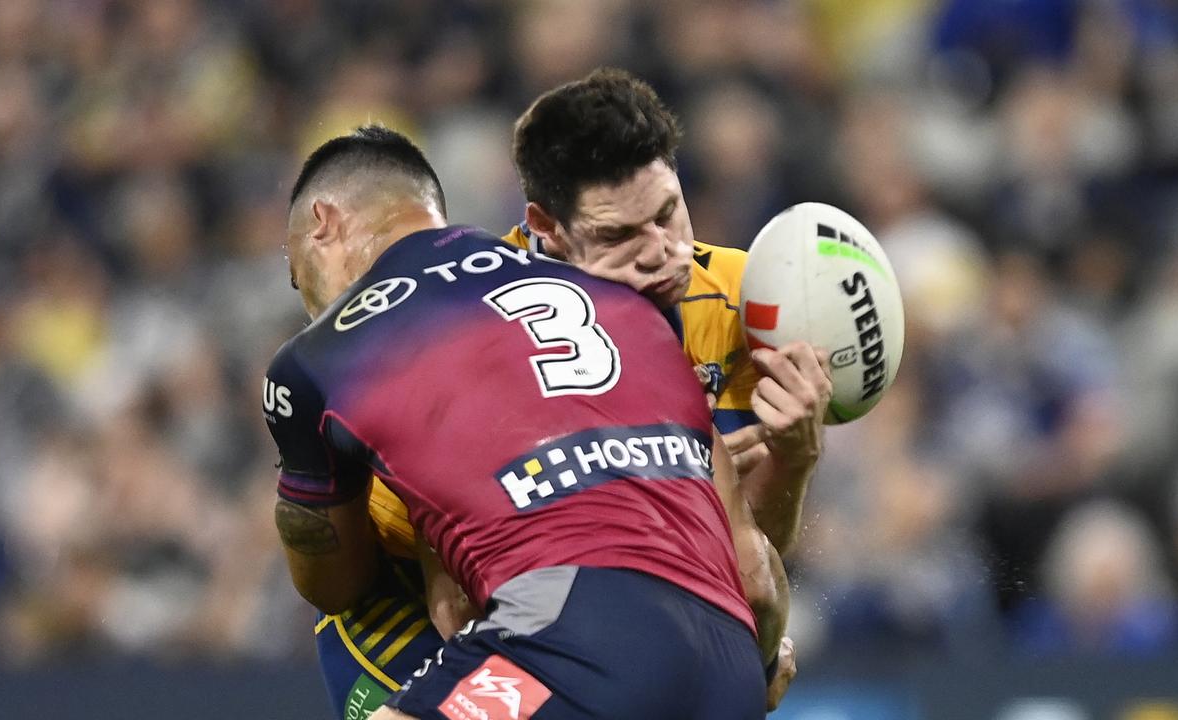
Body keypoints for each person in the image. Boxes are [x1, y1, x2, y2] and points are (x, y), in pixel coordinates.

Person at [318, 69, 824, 718]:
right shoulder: (463, 341)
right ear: (547, 229)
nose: (663, 254)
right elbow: (454, 599)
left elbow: (739, 564)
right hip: (405, 621)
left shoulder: (741, 301)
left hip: (591, 621)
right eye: (619, 237)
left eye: (669, 213)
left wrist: (792, 457)